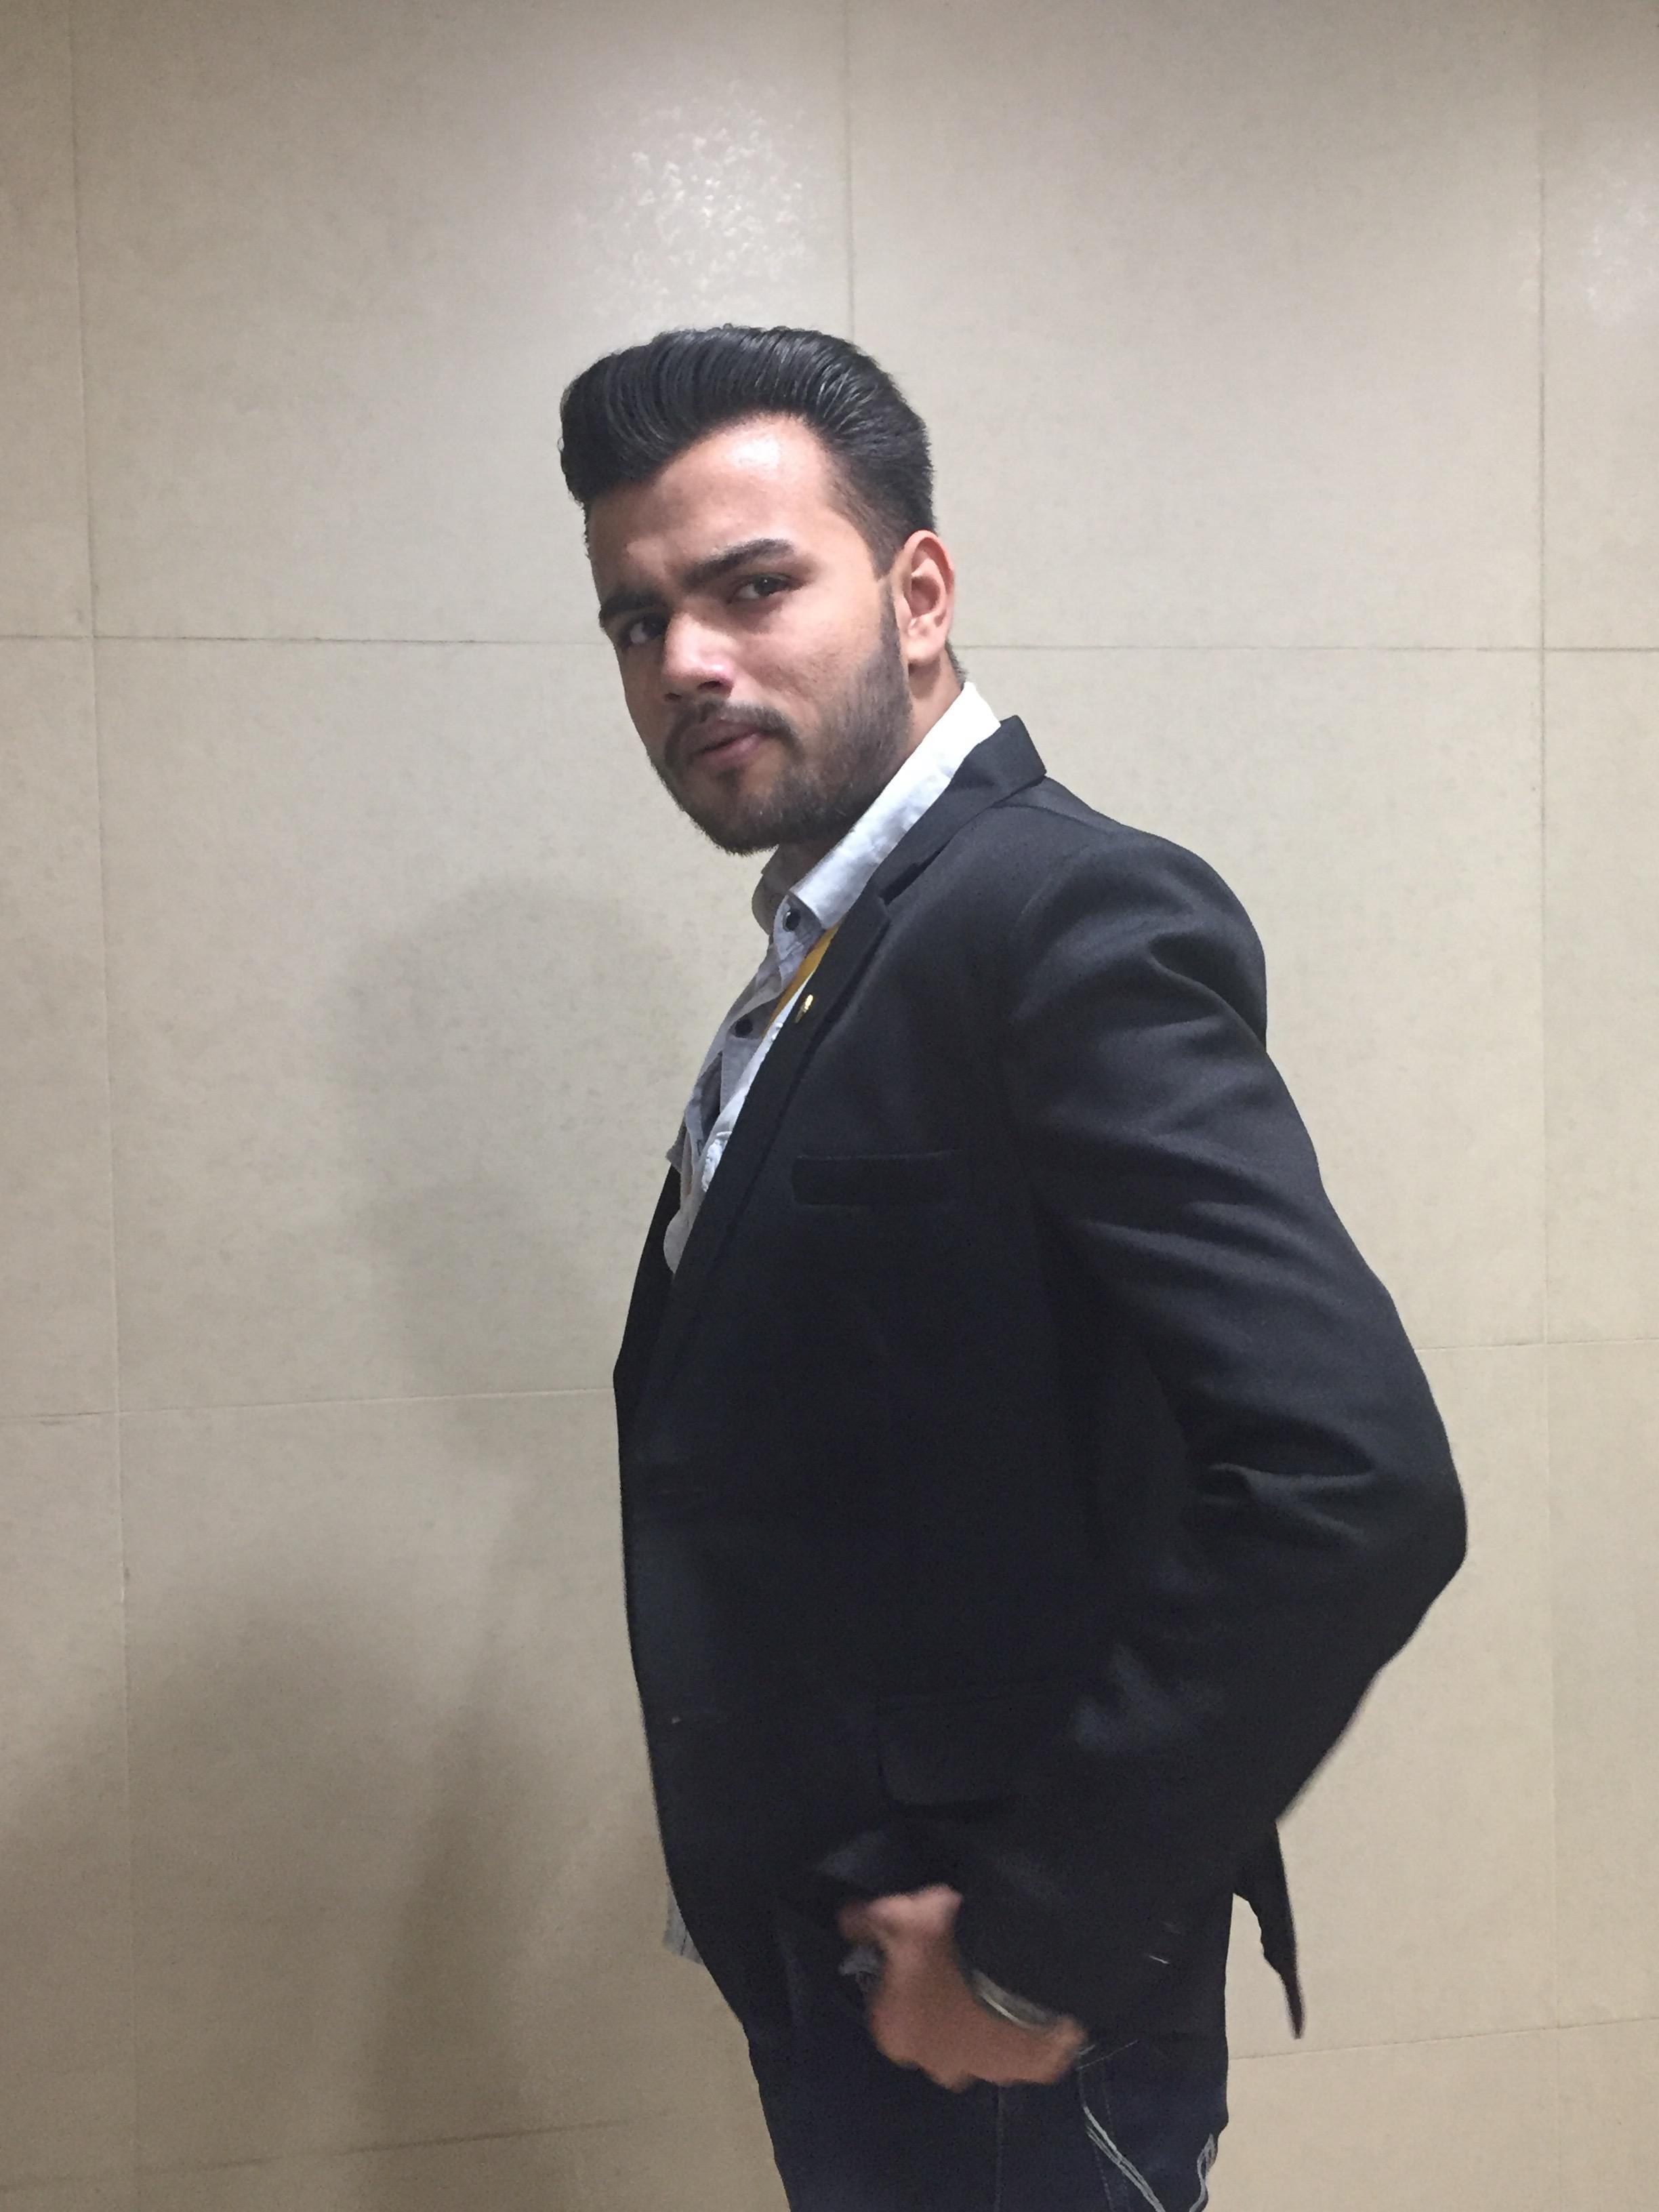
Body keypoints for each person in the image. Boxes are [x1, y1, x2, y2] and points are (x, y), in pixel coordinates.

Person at [557, 325, 1467, 2211]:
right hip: (865, 1977)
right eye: (640, 622)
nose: (689, 662)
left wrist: (1039, 1939)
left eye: (751, 587)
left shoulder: (1059, 915)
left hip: (1006, 2015)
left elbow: (1352, 1481)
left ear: (919, 594)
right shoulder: (841, 940)